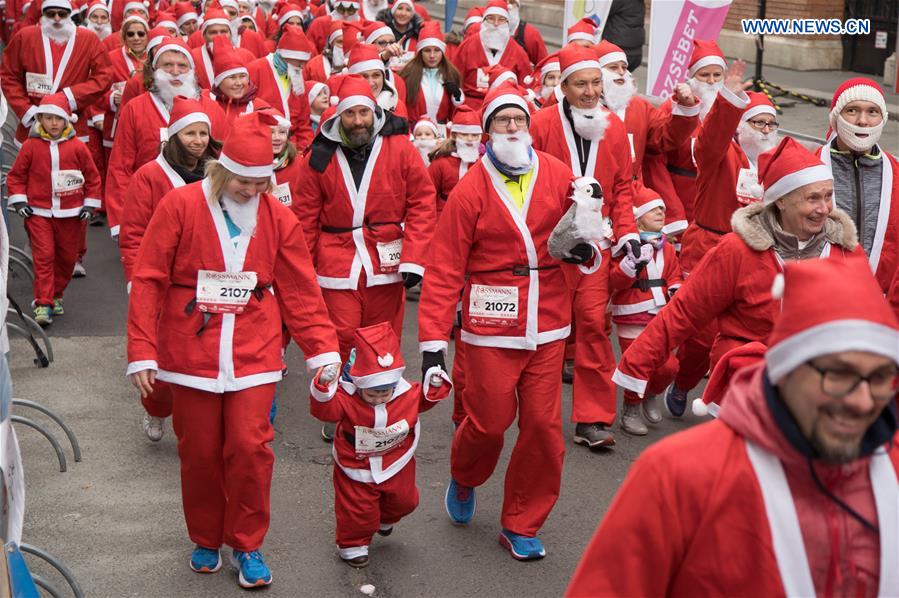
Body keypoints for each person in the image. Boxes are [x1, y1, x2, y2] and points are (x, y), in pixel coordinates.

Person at [569, 256, 899, 597]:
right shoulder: (678, 475)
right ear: (786, 370)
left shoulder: (893, 466)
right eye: (839, 376)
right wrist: (638, 367)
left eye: (880, 377)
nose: (863, 400)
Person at [126, 111, 340, 589]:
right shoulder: (180, 205)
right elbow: (149, 277)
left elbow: (301, 288)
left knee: (250, 447)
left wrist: (323, 350)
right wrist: (142, 349)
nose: (251, 191)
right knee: (200, 452)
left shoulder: (278, 216)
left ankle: (247, 543)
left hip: (255, 346)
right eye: (244, 181)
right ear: (222, 170)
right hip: (190, 348)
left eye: (261, 183)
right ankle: (206, 537)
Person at [418, 84, 597, 561]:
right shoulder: (469, 190)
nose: (513, 127)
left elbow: (584, 233)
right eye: (503, 120)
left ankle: (521, 522)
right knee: (489, 423)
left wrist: (585, 250)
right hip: (490, 324)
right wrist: (433, 346)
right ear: (488, 131)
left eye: (519, 119)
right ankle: (465, 474)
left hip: (547, 320)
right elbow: (444, 268)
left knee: (542, 428)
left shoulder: (558, 173)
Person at [613, 136, 863, 402]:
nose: (824, 209)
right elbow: (685, 312)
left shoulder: (845, 252)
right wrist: (637, 363)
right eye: (812, 198)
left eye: (828, 196)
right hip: (744, 384)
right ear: (781, 200)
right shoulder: (737, 250)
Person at [292, 74, 436, 441]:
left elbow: (422, 202)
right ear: (338, 116)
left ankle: (378, 407)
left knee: (382, 339)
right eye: (350, 114)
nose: (358, 121)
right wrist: (302, 272)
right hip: (336, 262)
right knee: (341, 338)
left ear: (375, 113)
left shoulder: (400, 148)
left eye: (363, 113)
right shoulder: (318, 156)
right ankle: (338, 406)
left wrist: (415, 258)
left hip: (386, 260)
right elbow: (305, 218)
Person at [529, 44, 641, 449]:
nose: (591, 91)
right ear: (563, 87)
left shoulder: (614, 128)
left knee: (593, 327)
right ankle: (537, 414)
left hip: (597, 245)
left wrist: (627, 233)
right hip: (551, 246)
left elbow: (623, 189)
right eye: (581, 84)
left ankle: (592, 419)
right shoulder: (540, 124)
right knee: (546, 331)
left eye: (596, 83)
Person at [663, 61, 775, 416]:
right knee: (701, 336)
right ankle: (683, 381)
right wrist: (729, 99)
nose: (765, 130)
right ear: (741, 125)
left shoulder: (777, 163)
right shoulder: (721, 153)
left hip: (755, 256)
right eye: (758, 123)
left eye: (771, 124)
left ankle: (730, 403)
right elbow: (711, 137)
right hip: (708, 247)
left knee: (745, 336)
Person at [309, 322, 450, 568]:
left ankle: (384, 516)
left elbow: (426, 401)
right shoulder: (347, 398)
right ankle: (353, 544)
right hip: (356, 465)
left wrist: (435, 384)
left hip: (397, 460)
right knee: (357, 511)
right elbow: (325, 410)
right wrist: (323, 387)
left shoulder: (407, 394)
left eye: (384, 393)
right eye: (371, 394)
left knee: (406, 502)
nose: (378, 399)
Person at [119, 97, 220, 441]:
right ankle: (156, 408)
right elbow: (133, 235)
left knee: (203, 356)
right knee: (161, 360)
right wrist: (137, 282)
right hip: (164, 283)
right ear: (174, 136)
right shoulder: (148, 176)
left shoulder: (218, 173)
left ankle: (197, 424)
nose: (198, 141)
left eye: (203, 133)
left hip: (210, 282)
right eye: (190, 133)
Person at [105, 37, 226, 238]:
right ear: (155, 69)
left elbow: (224, 162)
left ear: (192, 70)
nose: (175, 71)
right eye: (168, 65)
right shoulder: (135, 108)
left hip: (203, 210)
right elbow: (120, 166)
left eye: (182, 66)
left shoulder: (212, 109)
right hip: (148, 207)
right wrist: (121, 220)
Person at [7, 93, 100, 326]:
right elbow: (16, 176)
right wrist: (20, 201)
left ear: (67, 120)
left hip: (71, 214)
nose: (54, 123)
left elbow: (92, 178)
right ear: (40, 120)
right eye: (48, 118)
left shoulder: (78, 147)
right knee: (44, 256)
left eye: (58, 118)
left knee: (67, 259)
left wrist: (90, 204)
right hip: (38, 212)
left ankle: (56, 295)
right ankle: (43, 302)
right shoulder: (30, 146)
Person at [608, 187, 682, 435]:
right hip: (631, 313)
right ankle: (630, 408)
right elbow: (615, 281)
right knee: (637, 364)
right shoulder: (624, 246)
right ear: (638, 217)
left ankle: (651, 392)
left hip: (661, 314)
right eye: (654, 209)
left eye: (662, 208)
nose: (661, 212)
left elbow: (674, 274)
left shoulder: (668, 248)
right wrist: (630, 265)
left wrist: (676, 288)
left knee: (668, 367)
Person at [817, 78, 899, 293]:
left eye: (872, 112)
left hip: (883, 299)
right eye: (852, 110)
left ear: (883, 118)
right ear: (836, 117)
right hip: (822, 295)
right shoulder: (810, 167)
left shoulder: (896, 173)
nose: (863, 121)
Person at [0, 0, 113, 146]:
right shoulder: (25, 37)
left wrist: (70, 97)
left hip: (73, 123)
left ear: (69, 14)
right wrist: (27, 110)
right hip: (33, 124)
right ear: (43, 14)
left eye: (62, 14)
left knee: (70, 160)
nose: (57, 18)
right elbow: (9, 76)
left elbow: (105, 75)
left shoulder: (88, 39)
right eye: (51, 14)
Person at [246, 24, 315, 150]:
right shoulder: (256, 69)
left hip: (291, 147)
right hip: (261, 143)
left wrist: (302, 150)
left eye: (304, 62)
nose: (302, 66)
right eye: (300, 61)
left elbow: (303, 124)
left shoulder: (297, 76)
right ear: (286, 56)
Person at [452, 0, 531, 109]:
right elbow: (455, 78)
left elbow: (525, 86)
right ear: (484, 20)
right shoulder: (467, 46)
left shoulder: (518, 52)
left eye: (501, 19)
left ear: (507, 22)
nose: (496, 23)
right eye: (491, 18)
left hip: (503, 109)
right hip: (471, 108)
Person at [399, 21, 464, 124]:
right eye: (427, 50)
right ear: (420, 52)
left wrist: (457, 96)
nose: (432, 55)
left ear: (443, 52)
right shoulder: (407, 74)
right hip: (416, 130)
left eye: (437, 50)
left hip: (441, 131)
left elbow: (457, 113)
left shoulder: (452, 74)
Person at [427, 105, 482, 219]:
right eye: (464, 134)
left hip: (475, 217)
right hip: (444, 216)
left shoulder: (483, 163)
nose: (470, 139)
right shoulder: (440, 163)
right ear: (454, 135)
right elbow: (428, 194)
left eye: (474, 135)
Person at [209, 35, 272, 126]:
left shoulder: (261, 108)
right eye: (232, 77)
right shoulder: (208, 105)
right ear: (219, 82)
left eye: (242, 76)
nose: (239, 83)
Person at [347, 43, 409, 118]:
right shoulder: (342, 110)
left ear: (383, 78)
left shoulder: (397, 106)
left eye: (376, 75)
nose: (371, 83)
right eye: (364, 77)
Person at [601, 0, 644, 73]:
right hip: (635, 51)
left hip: (618, 51)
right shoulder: (639, 2)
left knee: (613, 78)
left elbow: (602, 11)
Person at [506, 0, 546, 67]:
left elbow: (544, 65)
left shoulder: (531, 34)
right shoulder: (487, 32)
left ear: (518, 6)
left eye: (512, 2)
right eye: (503, 2)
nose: (508, 6)